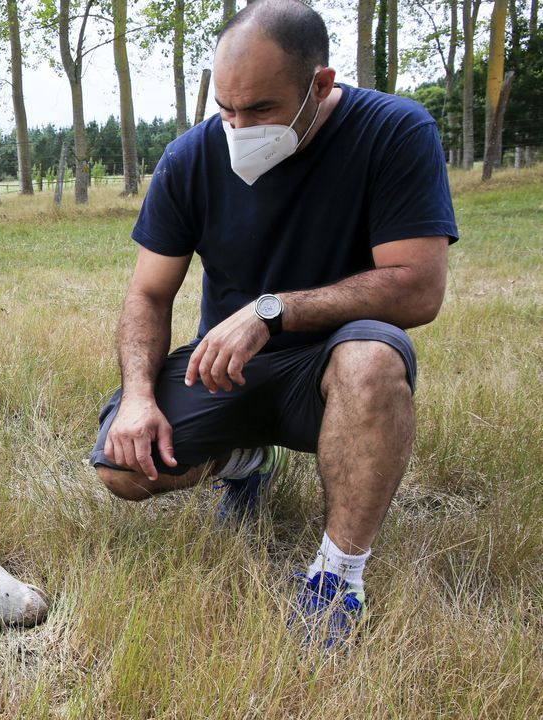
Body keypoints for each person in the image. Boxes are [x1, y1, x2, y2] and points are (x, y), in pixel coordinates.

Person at [89, 0, 458, 649]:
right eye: (226, 109)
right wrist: (140, 401)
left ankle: (338, 577)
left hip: (335, 364)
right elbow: (148, 294)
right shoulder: (190, 159)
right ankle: (242, 458)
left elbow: (417, 288)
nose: (238, 128)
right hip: (227, 369)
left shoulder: (395, 131)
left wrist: (275, 310)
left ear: (320, 85)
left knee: (372, 362)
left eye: (259, 110)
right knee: (122, 468)